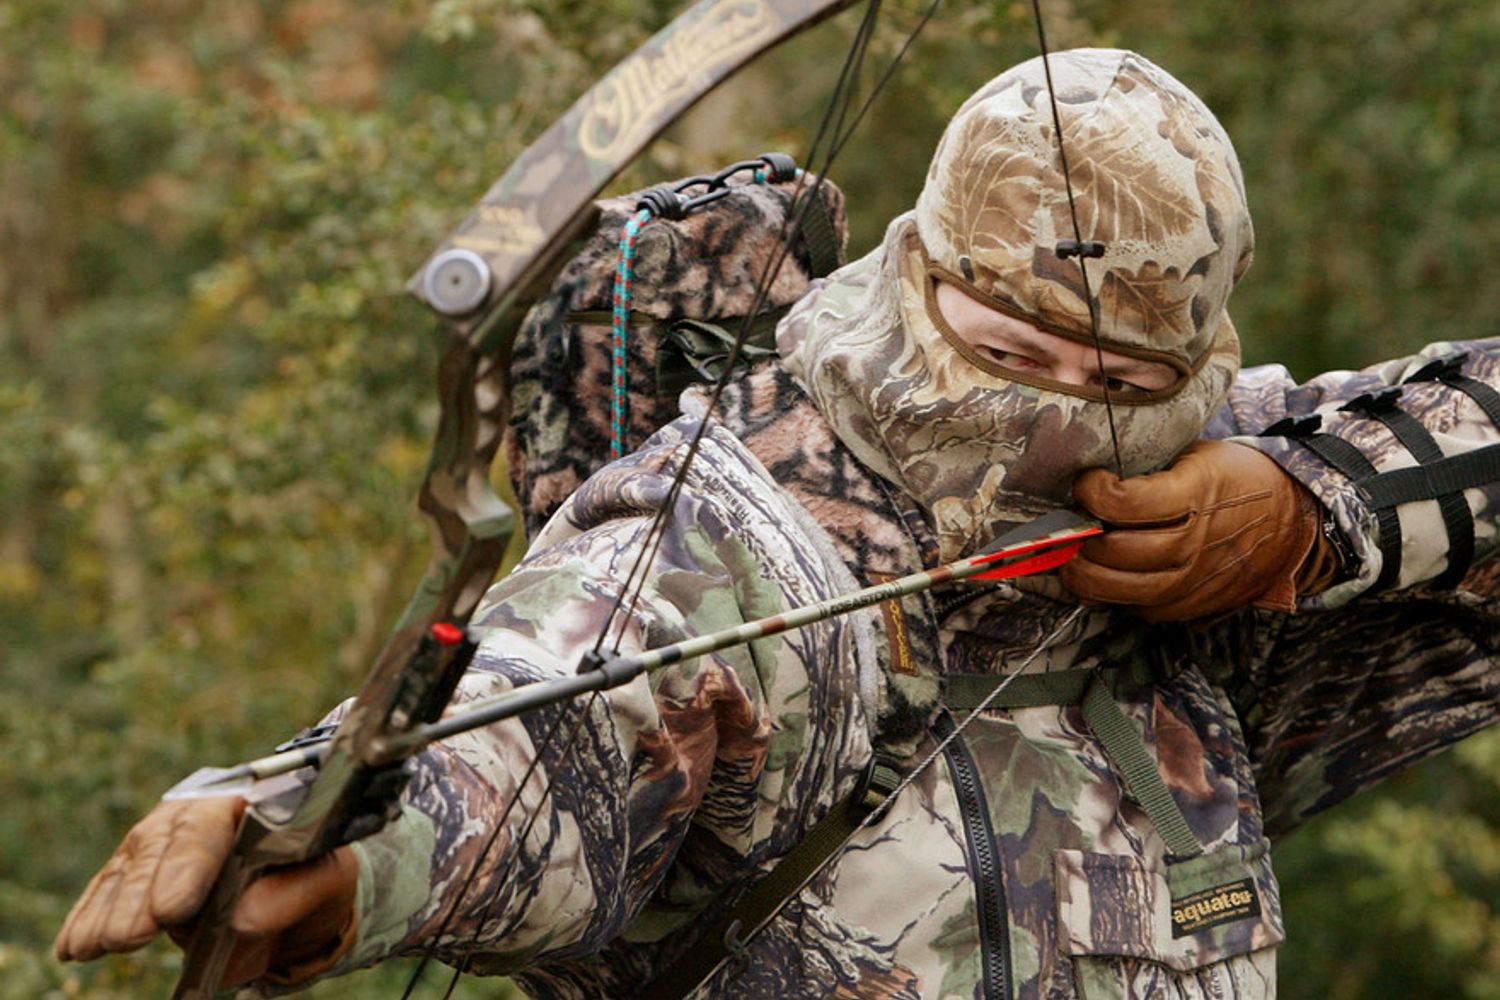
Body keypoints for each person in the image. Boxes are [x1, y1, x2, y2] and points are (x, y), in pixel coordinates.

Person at [54, 48, 1500, 998]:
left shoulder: (1217, 513)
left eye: (1113, 382)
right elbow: (565, 706)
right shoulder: (756, 528)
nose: (1056, 415)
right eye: (1007, 347)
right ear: (920, 285)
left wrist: (1318, 508)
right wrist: (334, 842)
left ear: (1187, 375)